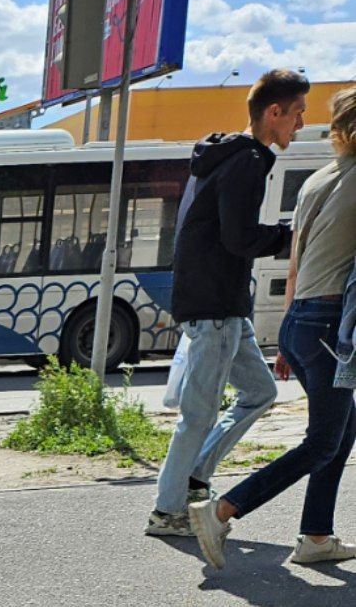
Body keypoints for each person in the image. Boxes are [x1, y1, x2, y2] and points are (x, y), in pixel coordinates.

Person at [190, 87, 356, 568]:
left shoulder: (317, 178)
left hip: (302, 321)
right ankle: (223, 510)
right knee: (324, 440)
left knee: (343, 430)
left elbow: (297, 258)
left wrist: (288, 333)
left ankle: (317, 537)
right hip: (328, 325)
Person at [146, 69, 306, 537]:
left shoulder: (225, 155)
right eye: (297, 113)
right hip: (214, 306)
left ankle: (195, 478)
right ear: (273, 112)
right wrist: (291, 237)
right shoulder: (247, 162)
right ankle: (167, 510)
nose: (300, 124)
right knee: (199, 414)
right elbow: (238, 238)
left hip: (222, 304)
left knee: (261, 394)